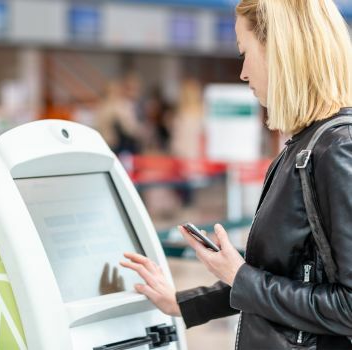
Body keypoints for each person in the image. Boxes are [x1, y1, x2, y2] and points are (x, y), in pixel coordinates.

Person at [120, 0, 352, 349]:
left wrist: (239, 274)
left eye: (245, 52)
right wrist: (181, 303)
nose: (243, 72)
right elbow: (283, 276)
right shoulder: (305, 146)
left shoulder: (334, 148)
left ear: (282, 50)